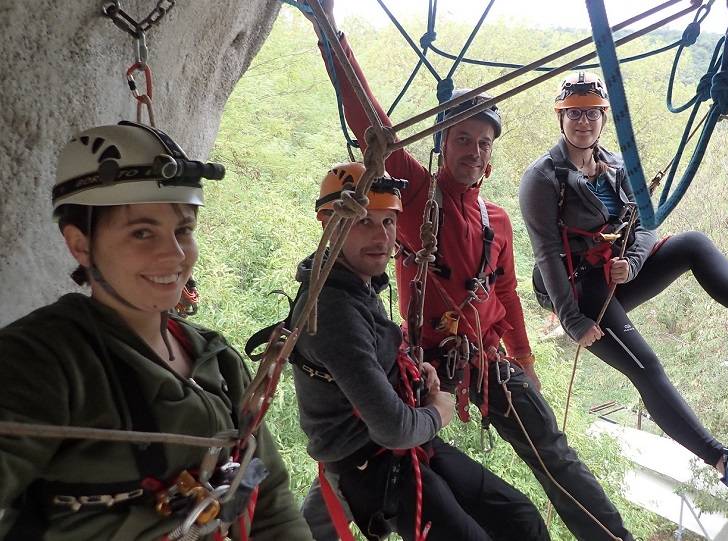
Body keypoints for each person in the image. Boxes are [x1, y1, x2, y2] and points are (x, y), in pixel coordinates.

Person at [312, 3, 635, 540]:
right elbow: (373, 127)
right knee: (389, 456)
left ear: (490, 157)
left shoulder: (497, 219)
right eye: (462, 139)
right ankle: (316, 517)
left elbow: (506, 294)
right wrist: (332, 34)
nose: (473, 150)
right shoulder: (418, 195)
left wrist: (526, 359)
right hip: (424, 363)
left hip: (487, 364)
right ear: (443, 144)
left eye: (483, 144)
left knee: (553, 453)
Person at [0, 121, 312, 540]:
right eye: (142, 232)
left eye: (183, 230)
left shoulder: (214, 358)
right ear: (80, 244)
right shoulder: (41, 361)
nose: (175, 254)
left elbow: (268, 495)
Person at [519, 71, 728, 496]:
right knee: (647, 368)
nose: (584, 122)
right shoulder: (542, 179)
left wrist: (633, 265)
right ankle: (726, 465)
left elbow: (646, 224)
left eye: (593, 114)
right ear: (561, 119)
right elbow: (546, 254)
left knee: (692, 244)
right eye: (574, 114)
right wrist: (573, 321)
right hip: (579, 291)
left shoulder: (614, 165)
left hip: (615, 274)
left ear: (603, 118)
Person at [283, 163, 549, 541]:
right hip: (369, 464)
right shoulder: (333, 309)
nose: (381, 237)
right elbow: (393, 428)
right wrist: (438, 412)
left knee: (521, 519)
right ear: (329, 224)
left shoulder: (355, 286)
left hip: (398, 447)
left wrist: (407, 370)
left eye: (388, 222)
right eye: (363, 222)